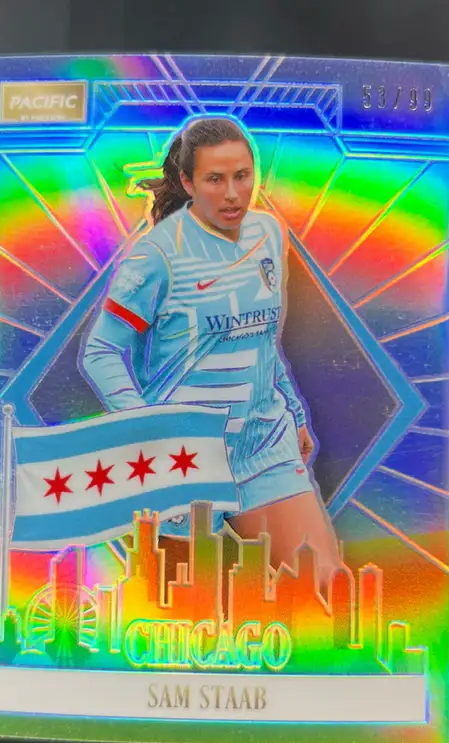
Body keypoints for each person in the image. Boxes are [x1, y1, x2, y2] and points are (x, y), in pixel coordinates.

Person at [79, 117, 340, 586]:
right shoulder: (156, 256)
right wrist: (146, 428)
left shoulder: (268, 235)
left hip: (262, 445)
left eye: (243, 176)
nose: (233, 194)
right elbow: (101, 351)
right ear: (187, 182)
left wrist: (295, 412)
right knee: (180, 610)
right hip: (186, 457)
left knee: (322, 586)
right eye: (215, 179)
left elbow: (261, 339)